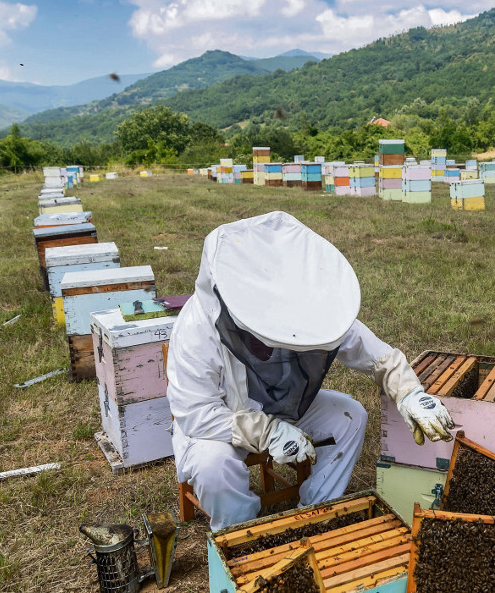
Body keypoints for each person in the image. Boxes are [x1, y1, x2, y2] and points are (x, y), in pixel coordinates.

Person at [166, 211, 455, 531]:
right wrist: (267, 431)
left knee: (351, 417)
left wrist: (410, 392)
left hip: (283, 407)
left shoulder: (305, 305)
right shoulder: (195, 329)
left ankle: (313, 515)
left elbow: (375, 354)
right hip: (221, 422)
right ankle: (236, 534)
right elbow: (195, 413)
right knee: (212, 466)